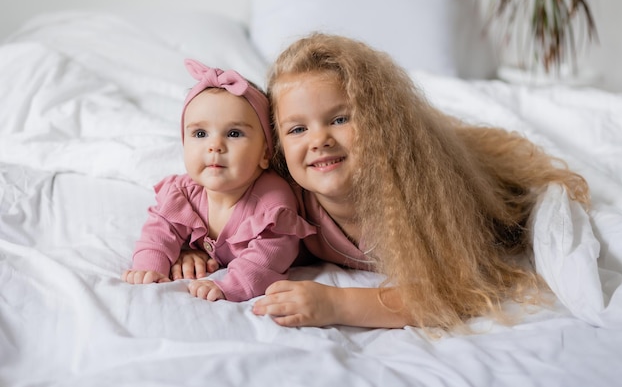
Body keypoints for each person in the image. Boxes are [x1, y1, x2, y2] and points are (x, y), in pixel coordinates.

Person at [174, 34, 589, 330]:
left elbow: (452, 289)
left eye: (340, 119)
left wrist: (338, 303)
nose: (319, 139)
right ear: (276, 146)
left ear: (380, 123)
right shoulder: (283, 198)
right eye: (297, 129)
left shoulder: (415, 194)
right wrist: (195, 251)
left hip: (464, 187)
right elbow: (222, 210)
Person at [122, 59, 315, 302]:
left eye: (234, 133)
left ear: (265, 153)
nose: (215, 146)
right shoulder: (183, 192)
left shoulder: (272, 206)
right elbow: (159, 231)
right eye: (200, 134)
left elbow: (264, 262)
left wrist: (227, 287)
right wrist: (150, 266)